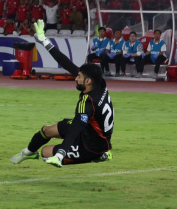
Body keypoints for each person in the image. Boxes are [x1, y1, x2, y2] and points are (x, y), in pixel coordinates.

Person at [11, 20, 113, 167]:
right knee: (47, 130)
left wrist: (61, 154)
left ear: (88, 81)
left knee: (46, 152)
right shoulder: (99, 83)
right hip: (90, 131)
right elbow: (67, 63)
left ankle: (100, 155)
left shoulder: (87, 102)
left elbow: (76, 127)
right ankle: (27, 152)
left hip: (92, 146)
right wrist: (44, 41)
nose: (76, 78)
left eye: (79, 77)